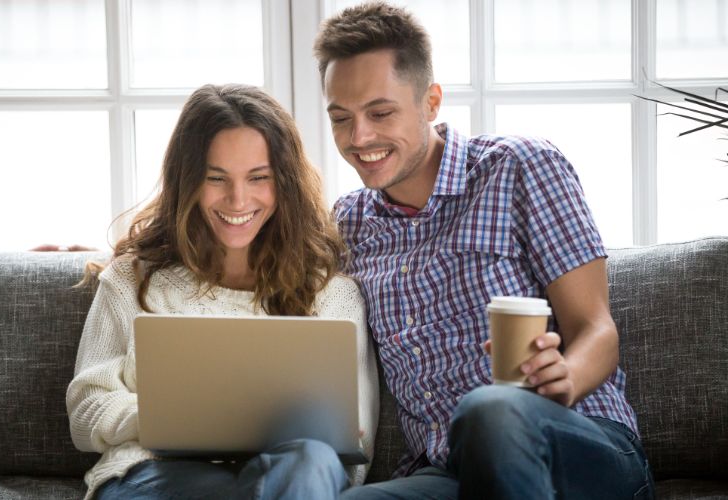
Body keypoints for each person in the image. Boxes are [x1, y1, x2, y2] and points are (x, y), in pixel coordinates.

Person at [313, 2, 653, 499]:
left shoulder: (521, 168)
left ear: (431, 102)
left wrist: (565, 379)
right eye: (341, 119)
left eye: (380, 113)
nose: (359, 138)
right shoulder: (349, 222)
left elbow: (597, 330)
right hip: (449, 473)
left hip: (573, 445)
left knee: (489, 409)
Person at [65, 84, 379, 500]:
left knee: (310, 461)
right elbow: (87, 412)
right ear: (188, 181)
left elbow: (352, 445)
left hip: (288, 482)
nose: (237, 199)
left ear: (284, 183)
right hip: (155, 476)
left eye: (258, 178)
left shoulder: (332, 295)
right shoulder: (132, 279)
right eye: (216, 178)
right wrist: (174, 418)